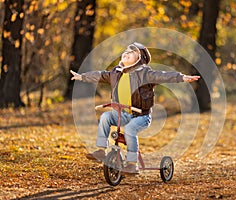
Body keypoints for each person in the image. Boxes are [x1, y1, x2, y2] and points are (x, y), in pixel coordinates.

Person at [70, 42, 200, 175]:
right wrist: (82, 77)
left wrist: (182, 77)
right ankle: (101, 151)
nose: (126, 53)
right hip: (122, 114)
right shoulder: (115, 72)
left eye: (132, 52)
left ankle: (132, 164)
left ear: (140, 59)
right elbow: (100, 75)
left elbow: (163, 75)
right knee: (105, 117)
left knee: (130, 129)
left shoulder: (145, 74)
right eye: (126, 51)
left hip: (141, 116)